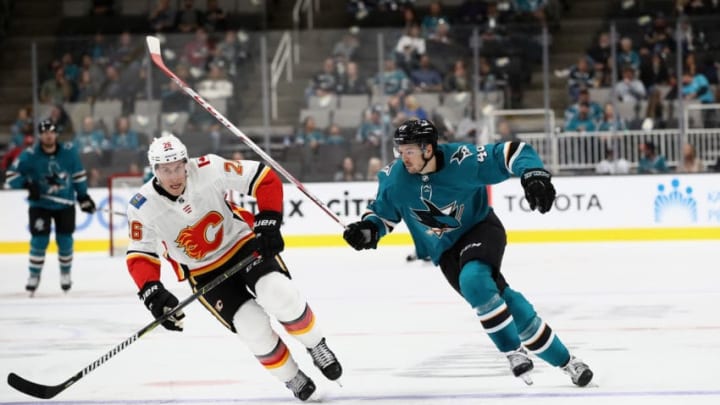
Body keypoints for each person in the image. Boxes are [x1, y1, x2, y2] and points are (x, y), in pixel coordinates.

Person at [342, 119, 594, 387]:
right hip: (445, 253)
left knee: (474, 280)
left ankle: (512, 350)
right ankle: (569, 362)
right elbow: (382, 215)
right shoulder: (395, 179)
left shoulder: (462, 159)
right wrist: (367, 230)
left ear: (428, 149)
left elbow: (513, 152)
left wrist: (532, 174)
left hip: (480, 228)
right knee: (505, 300)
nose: (403, 158)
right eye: (400, 151)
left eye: (409, 151)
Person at [125, 134, 342, 401]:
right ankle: (291, 375)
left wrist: (268, 222)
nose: (174, 176)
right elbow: (140, 254)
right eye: (166, 170)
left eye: (178, 167)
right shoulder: (142, 205)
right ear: (155, 171)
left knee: (278, 293)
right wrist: (153, 293)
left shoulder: (208, 168)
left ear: (186, 162)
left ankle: (315, 345)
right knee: (251, 326)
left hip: (242, 244)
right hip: (203, 271)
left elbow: (264, 178)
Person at [3, 119, 96, 295]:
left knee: (65, 241)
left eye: (51, 131)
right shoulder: (29, 154)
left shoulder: (69, 153)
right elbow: (10, 175)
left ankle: (65, 273)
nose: (48, 135)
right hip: (40, 205)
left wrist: (83, 196)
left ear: (56, 134)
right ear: (40, 135)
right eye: (45, 132)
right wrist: (27, 184)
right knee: (39, 240)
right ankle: (34, 275)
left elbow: (78, 175)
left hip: (65, 204)